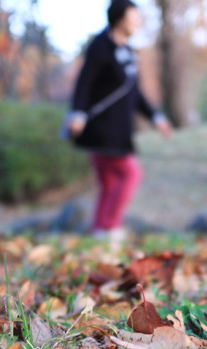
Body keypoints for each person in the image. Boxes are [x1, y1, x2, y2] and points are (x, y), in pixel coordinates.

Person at [68, 0, 172, 245]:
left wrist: (156, 116)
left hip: (120, 127)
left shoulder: (128, 51)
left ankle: (99, 231)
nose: (138, 21)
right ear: (120, 18)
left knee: (109, 182)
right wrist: (78, 113)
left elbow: (133, 92)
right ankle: (111, 228)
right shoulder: (101, 46)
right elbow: (84, 82)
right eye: (134, 16)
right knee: (130, 174)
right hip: (102, 129)